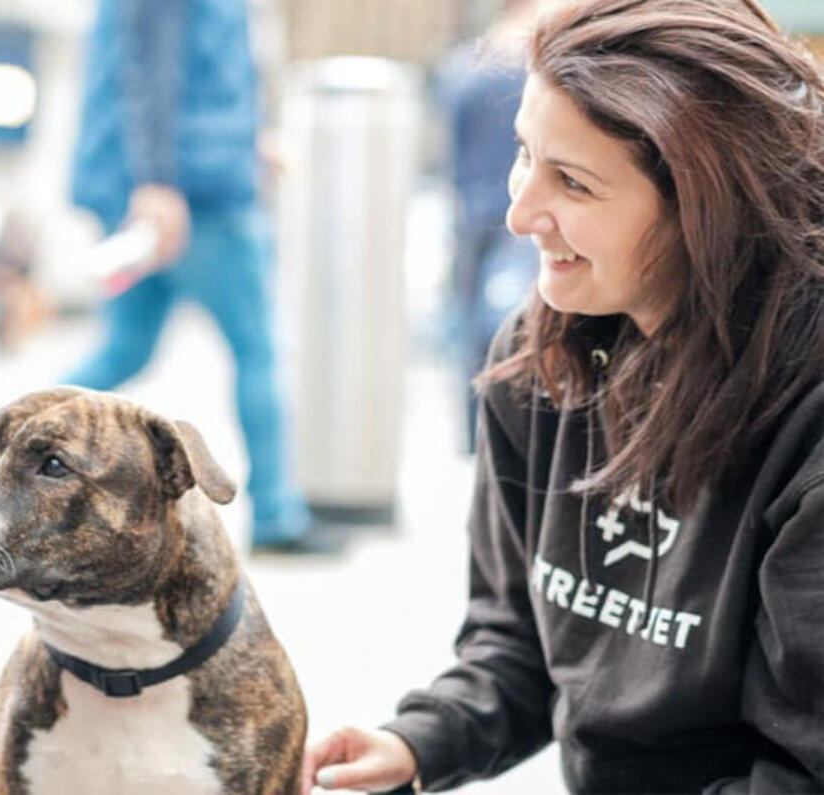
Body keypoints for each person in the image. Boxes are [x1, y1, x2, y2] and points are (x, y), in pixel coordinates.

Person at [303, 0, 824, 791]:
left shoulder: (805, 419)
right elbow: (517, 641)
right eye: (524, 154)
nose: (518, 214)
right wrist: (420, 740)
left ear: (710, 207)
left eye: (573, 183)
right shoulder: (542, 351)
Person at [64, 0, 324, 551]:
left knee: (125, 350)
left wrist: (243, 144)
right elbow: (151, 65)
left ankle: (10, 443)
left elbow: (182, 64)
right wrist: (158, 181)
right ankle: (277, 512)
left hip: (168, 185)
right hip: (195, 197)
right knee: (256, 350)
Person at [435, 0, 540, 453]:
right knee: (514, 322)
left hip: (473, 209)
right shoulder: (535, 66)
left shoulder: (464, 68)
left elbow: (451, 149)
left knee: (472, 330)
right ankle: (502, 436)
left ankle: (473, 434)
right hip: (514, 209)